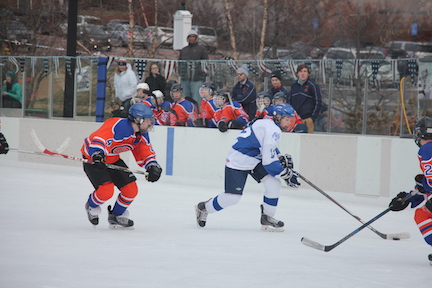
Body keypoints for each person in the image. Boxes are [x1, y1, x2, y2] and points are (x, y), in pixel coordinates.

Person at [195, 103, 301, 231]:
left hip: (254, 159)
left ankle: (267, 217)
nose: (289, 122)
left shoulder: (267, 124)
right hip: (238, 160)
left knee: (273, 183)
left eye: (290, 119)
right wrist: (286, 174)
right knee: (232, 198)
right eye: (287, 119)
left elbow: (268, 148)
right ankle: (203, 208)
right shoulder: (273, 129)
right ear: (277, 117)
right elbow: (268, 161)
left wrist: (278, 156)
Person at [82, 102, 162, 229]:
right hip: (94, 159)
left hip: (113, 160)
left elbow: (144, 151)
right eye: (148, 120)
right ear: (138, 119)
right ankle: (91, 205)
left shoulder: (141, 134)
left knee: (131, 190)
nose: (150, 123)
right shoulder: (117, 125)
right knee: (106, 191)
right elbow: (99, 138)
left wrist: (152, 165)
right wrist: (97, 155)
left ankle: (116, 216)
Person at [388, 117, 432, 265]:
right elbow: (427, 184)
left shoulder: (426, 149)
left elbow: (429, 181)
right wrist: (408, 198)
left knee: (423, 215)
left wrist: (425, 185)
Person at [288, 64, 322, 133]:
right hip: (295, 119)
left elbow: (318, 102)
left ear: (308, 74)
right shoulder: (294, 85)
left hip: (307, 119)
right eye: (301, 71)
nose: (303, 73)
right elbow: (289, 101)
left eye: (305, 71)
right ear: (297, 74)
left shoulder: (312, 85)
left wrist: (312, 118)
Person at [178, 29, 209, 106]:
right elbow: (180, 63)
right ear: (188, 38)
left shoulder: (201, 49)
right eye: (190, 37)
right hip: (185, 79)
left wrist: (202, 75)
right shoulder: (184, 50)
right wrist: (181, 74)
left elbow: (205, 64)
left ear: (196, 38)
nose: (192, 38)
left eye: (193, 37)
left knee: (196, 98)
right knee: (185, 98)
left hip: (197, 79)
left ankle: (196, 114)